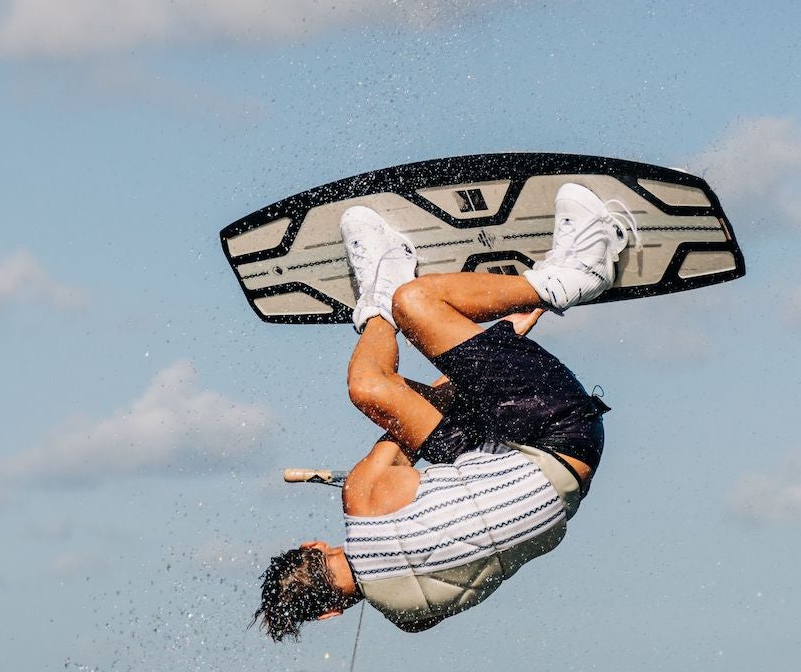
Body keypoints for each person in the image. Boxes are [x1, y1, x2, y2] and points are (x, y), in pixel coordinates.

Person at [256, 182, 634, 639]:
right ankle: (571, 275)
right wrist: (483, 350)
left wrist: (488, 356)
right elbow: (415, 407)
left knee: (389, 401)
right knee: (402, 327)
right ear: (311, 545)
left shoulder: (412, 620)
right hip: (555, 429)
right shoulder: (363, 497)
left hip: (563, 468)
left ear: (328, 614)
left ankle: (389, 275)